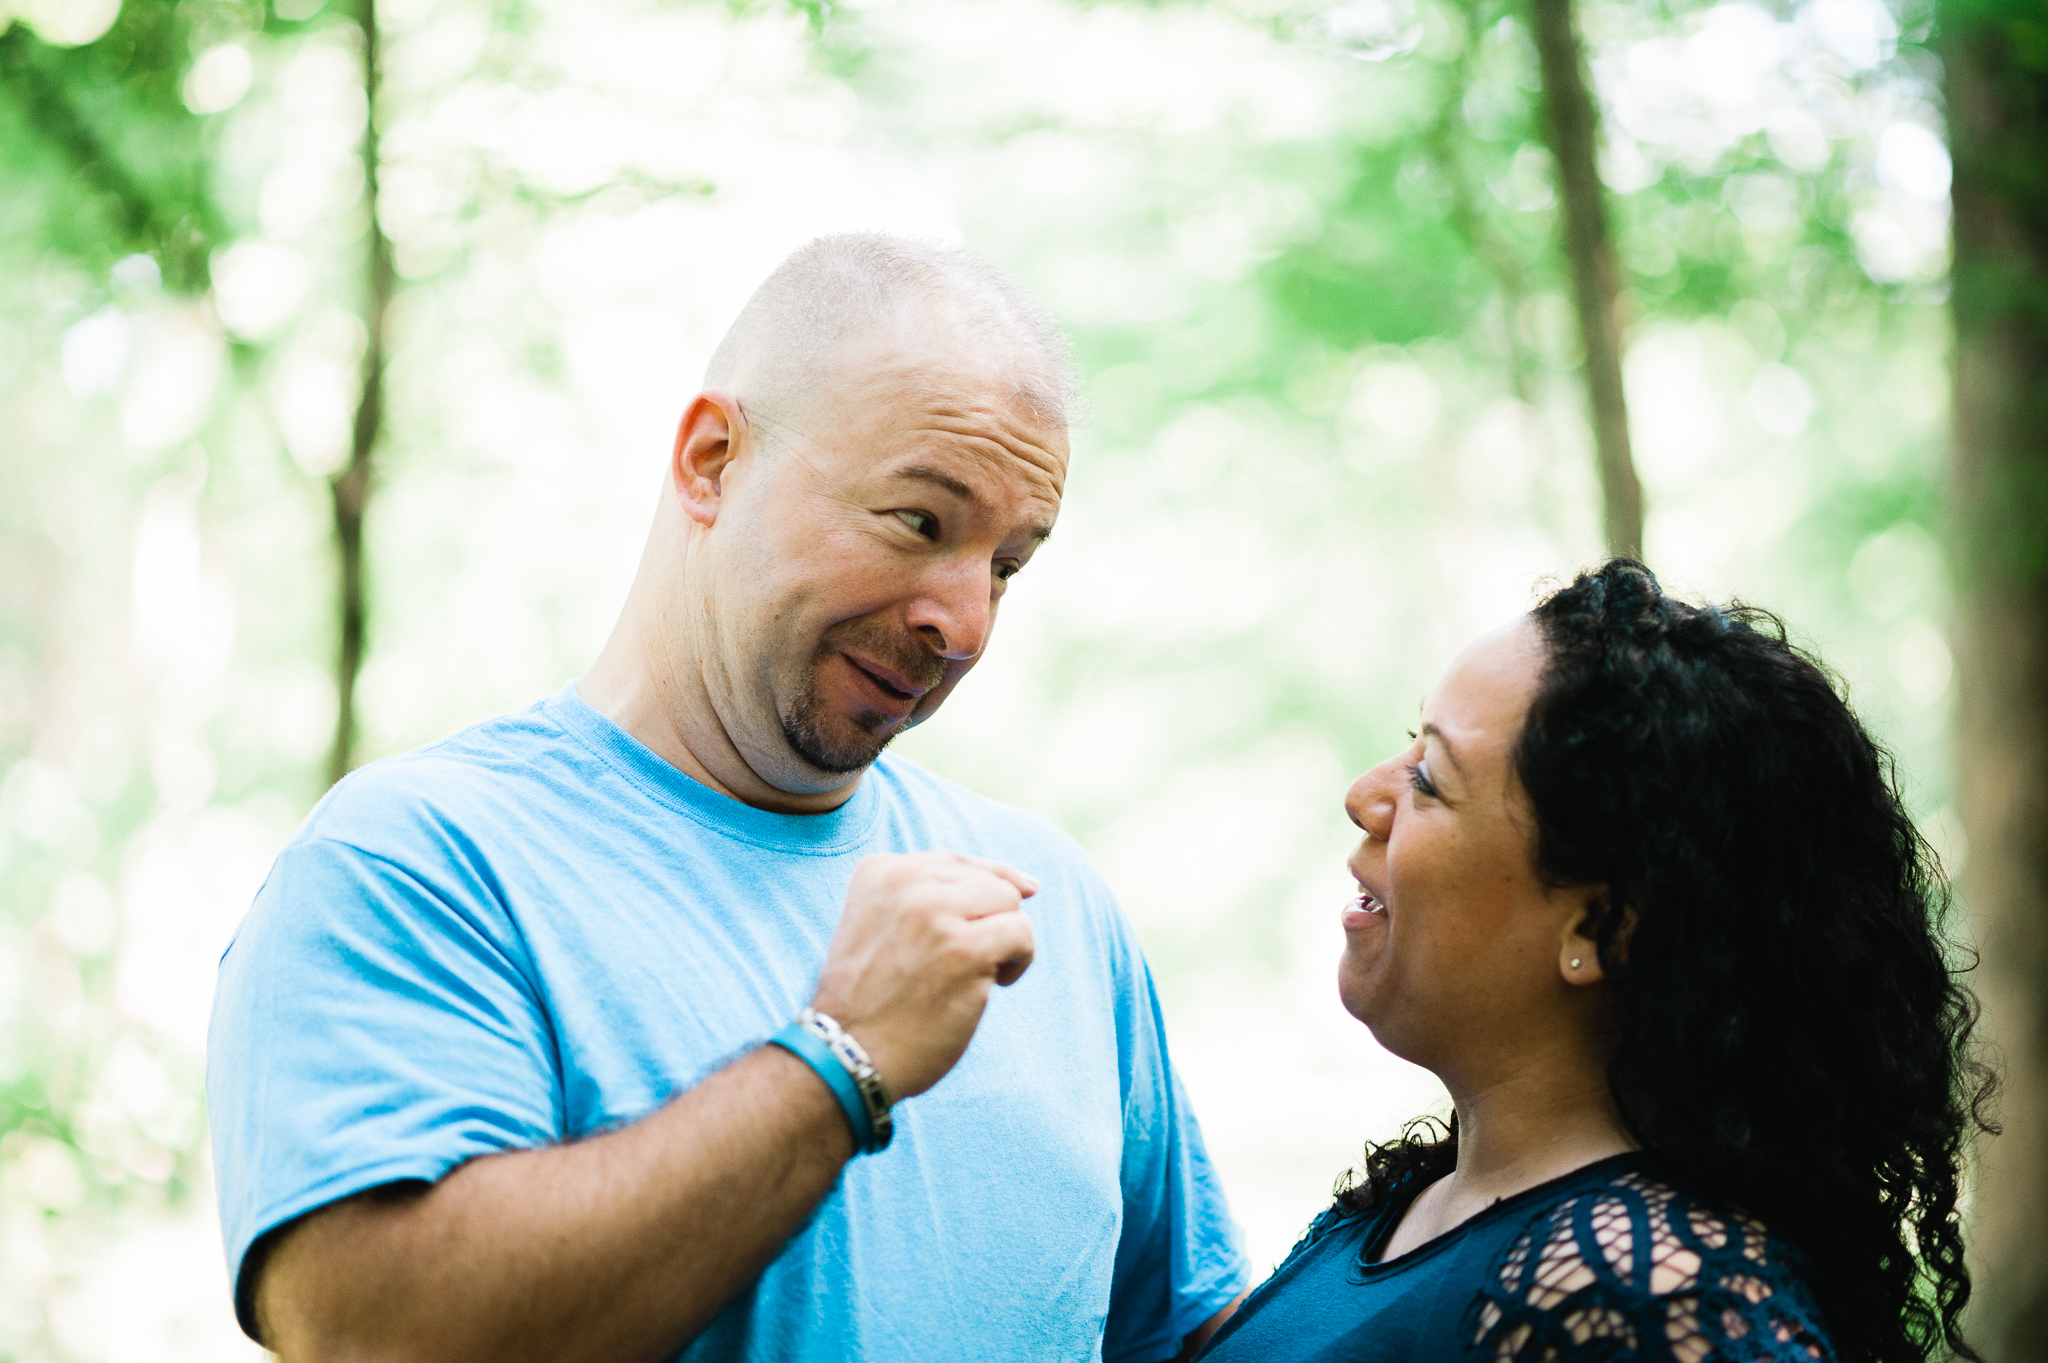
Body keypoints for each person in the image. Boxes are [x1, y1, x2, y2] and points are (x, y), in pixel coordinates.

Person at [207, 234, 1248, 1363]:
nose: (966, 624)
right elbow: (378, 1333)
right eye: (920, 521)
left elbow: (1187, 1340)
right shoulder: (417, 862)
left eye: (1006, 564)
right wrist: (839, 1061)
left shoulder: (1055, 905)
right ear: (711, 460)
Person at [1198, 560, 1992, 1363]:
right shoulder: (1408, 1209)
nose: (1367, 795)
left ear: (1601, 927)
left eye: (1431, 779)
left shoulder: (1648, 1288)